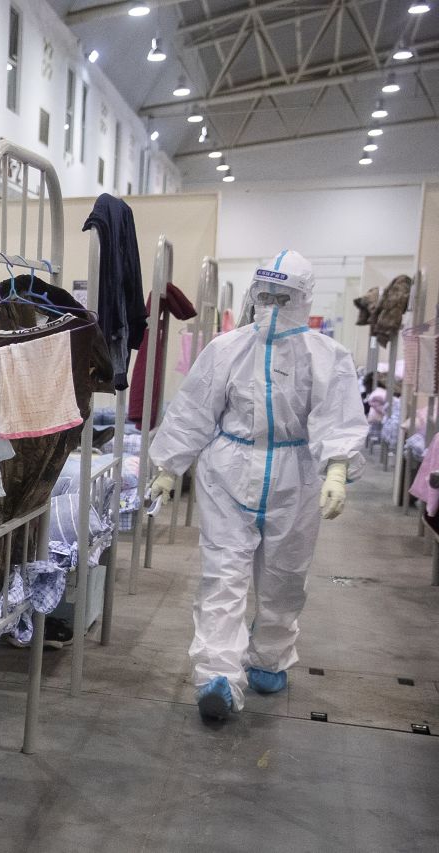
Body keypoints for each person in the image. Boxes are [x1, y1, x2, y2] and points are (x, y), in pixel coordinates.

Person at [147, 250, 366, 723]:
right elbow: (193, 411)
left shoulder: (327, 356)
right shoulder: (226, 349)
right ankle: (217, 675)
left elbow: (340, 416)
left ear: (301, 299)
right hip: (228, 469)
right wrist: (168, 467)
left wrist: (336, 470)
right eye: (263, 294)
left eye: (281, 296)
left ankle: (270, 654)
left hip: (296, 473)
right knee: (222, 575)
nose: (270, 304)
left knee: (284, 576)